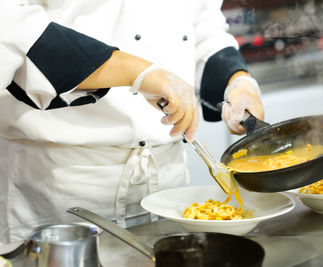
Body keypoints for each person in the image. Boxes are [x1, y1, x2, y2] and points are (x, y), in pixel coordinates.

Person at [0, 0, 264, 244]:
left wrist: (238, 81)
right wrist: (138, 73)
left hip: (168, 189)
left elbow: (203, 26)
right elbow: (12, 25)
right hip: (63, 187)